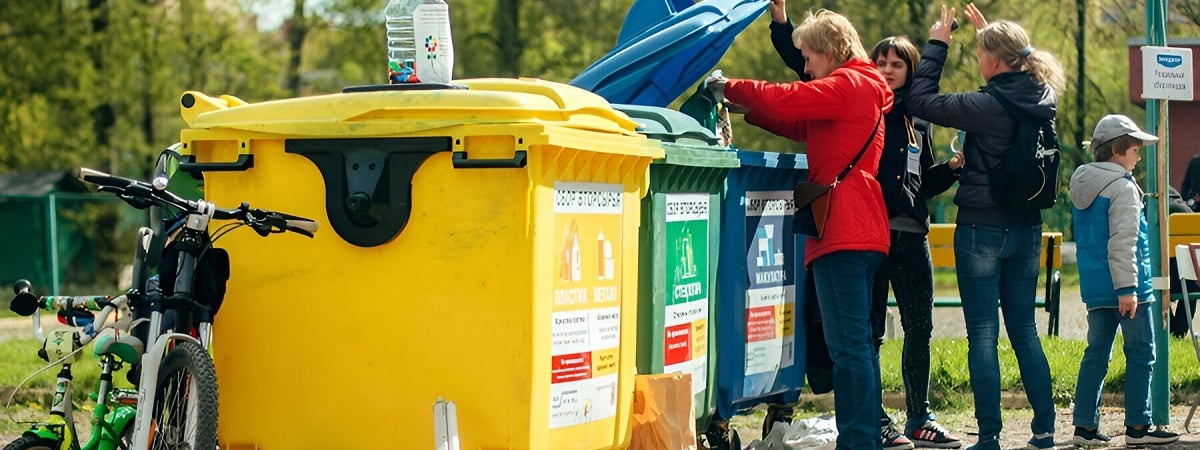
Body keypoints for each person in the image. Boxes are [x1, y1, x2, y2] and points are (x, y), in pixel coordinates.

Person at [766, 2, 964, 447]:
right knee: (865, 333)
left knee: (919, 329)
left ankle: (919, 417)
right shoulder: (860, 95)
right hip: (870, 232)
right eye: (882, 62)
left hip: (910, 234)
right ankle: (877, 424)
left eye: (899, 64)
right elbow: (808, 63)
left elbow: (922, 182)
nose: (889, 69)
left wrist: (951, 168)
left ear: (910, 71)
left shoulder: (916, 118)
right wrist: (782, 24)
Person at [708, 8, 892, 449]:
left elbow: (789, 98)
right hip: (861, 225)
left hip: (843, 227)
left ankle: (859, 441)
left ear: (830, 52)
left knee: (848, 348)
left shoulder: (849, 84)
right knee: (859, 346)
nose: (806, 67)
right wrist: (744, 108)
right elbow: (796, 121)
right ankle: (863, 437)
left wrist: (729, 86)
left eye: (809, 57)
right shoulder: (860, 88)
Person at [906, 4, 1062, 449]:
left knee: (982, 333)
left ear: (992, 59)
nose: (977, 60)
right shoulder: (1041, 96)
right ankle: (1045, 432)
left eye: (980, 53)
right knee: (1025, 331)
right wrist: (990, 35)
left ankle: (990, 436)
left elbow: (920, 101)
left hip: (981, 230)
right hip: (1027, 228)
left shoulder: (984, 106)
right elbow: (1019, 63)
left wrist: (938, 44)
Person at [1069, 114, 1181, 446]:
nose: (1137, 158)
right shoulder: (1123, 187)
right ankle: (1137, 427)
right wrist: (1128, 288)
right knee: (1142, 352)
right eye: (1134, 150)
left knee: (1097, 354)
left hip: (1096, 287)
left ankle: (1084, 426)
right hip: (1129, 288)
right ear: (1118, 152)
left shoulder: (1083, 182)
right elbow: (1123, 241)